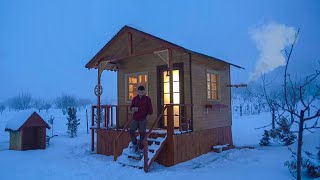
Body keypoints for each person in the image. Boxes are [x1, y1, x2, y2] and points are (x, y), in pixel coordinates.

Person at [129, 85, 153, 154]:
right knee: (131, 131)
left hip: (143, 118)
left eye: (142, 92)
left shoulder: (147, 99)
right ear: (138, 92)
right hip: (135, 118)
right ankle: (135, 143)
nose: (141, 93)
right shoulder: (135, 98)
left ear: (144, 92)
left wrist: (139, 109)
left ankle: (141, 147)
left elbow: (149, 110)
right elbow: (131, 106)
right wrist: (132, 108)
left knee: (142, 133)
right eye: (139, 92)